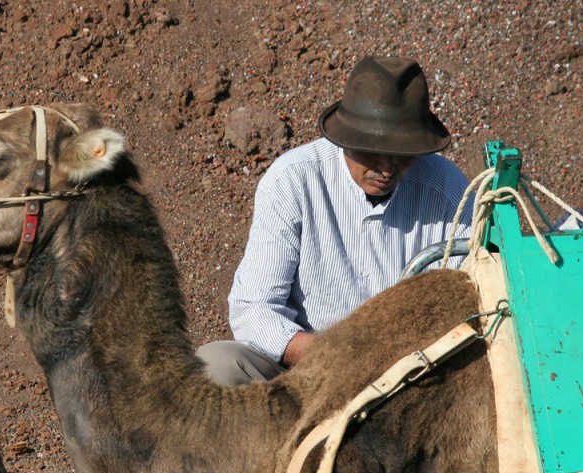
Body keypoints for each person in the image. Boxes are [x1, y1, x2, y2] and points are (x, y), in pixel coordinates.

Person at [197, 55, 474, 385]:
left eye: (402, 153)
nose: (387, 167)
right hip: (309, 371)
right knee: (215, 367)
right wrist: (340, 357)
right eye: (372, 149)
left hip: (411, 382)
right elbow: (255, 310)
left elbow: (471, 300)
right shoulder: (294, 180)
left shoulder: (447, 188)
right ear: (345, 138)